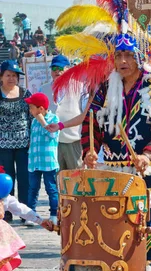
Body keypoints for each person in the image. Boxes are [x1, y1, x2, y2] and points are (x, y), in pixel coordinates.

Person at [82, 35, 151, 260]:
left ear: (139, 58)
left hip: (147, 169)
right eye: (119, 56)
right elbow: (90, 122)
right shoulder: (106, 88)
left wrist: (147, 154)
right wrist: (90, 150)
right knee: (115, 224)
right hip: (114, 169)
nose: (123, 61)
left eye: (129, 56)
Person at [40, 55, 87, 170]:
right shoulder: (43, 89)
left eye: (61, 68)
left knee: (77, 179)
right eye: (54, 68)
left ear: (68, 69)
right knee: (57, 180)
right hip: (51, 142)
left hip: (73, 140)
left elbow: (85, 114)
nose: (57, 71)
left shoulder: (80, 87)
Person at [0, 60, 31, 222]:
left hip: (24, 143)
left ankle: (24, 212)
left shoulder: (26, 94)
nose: (11, 78)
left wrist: (34, 139)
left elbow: (32, 116)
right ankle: (7, 211)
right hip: (3, 144)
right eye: (8, 75)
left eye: (14, 75)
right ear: (1, 77)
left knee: (24, 178)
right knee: (6, 178)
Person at [25, 93, 60, 224]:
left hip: (48, 162)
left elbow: (53, 136)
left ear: (40, 109)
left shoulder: (54, 119)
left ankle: (53, 215)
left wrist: (43, 122)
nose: (30, 111)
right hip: (34, 161)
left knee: (51, 188)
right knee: (33, 188)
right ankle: (31, 214)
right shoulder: (33, 121)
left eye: (32, 108)